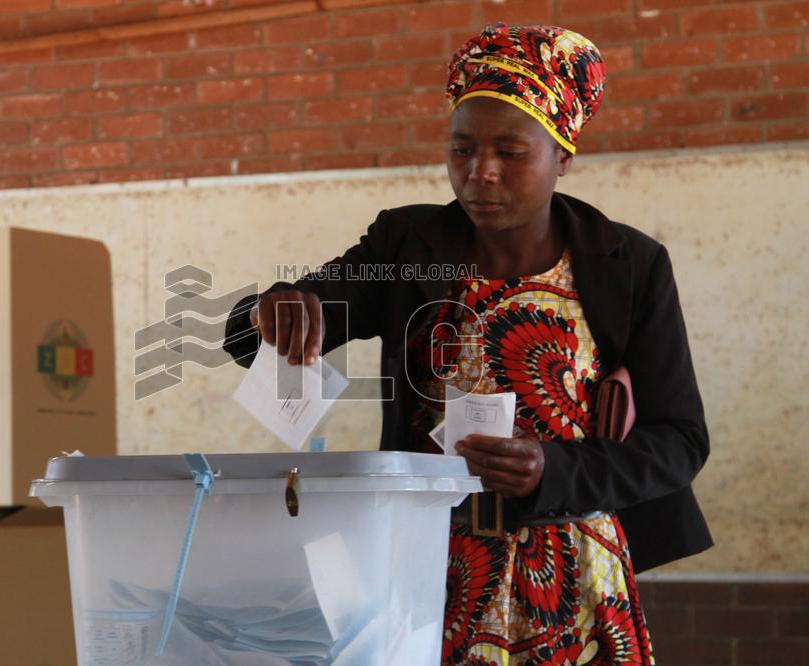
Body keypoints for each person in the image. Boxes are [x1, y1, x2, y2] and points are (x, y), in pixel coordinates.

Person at [224, 24, 711, 665]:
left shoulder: (629, 265)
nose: (480, 173)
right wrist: (274, 308)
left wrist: (553, 470)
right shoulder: (405, 247)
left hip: (574, 578)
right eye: (463, 149)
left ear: (562, 155)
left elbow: (679, 441)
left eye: (511, 152)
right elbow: (253, 335)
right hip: (430, 569)